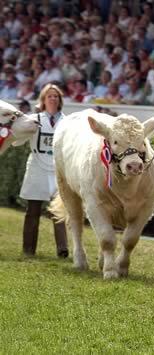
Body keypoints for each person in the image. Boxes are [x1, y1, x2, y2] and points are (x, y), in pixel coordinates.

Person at [19, 83, 68, 258]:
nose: (53, 99)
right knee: (33, 210)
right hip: (37, 167)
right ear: (44, 100)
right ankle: (28, 249)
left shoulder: (66, 121)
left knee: (59, 210)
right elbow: (18, 139)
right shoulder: (33, 119)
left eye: (56, 96)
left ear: (60, 100)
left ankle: (63, 249)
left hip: (57, 168)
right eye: (50, 96)